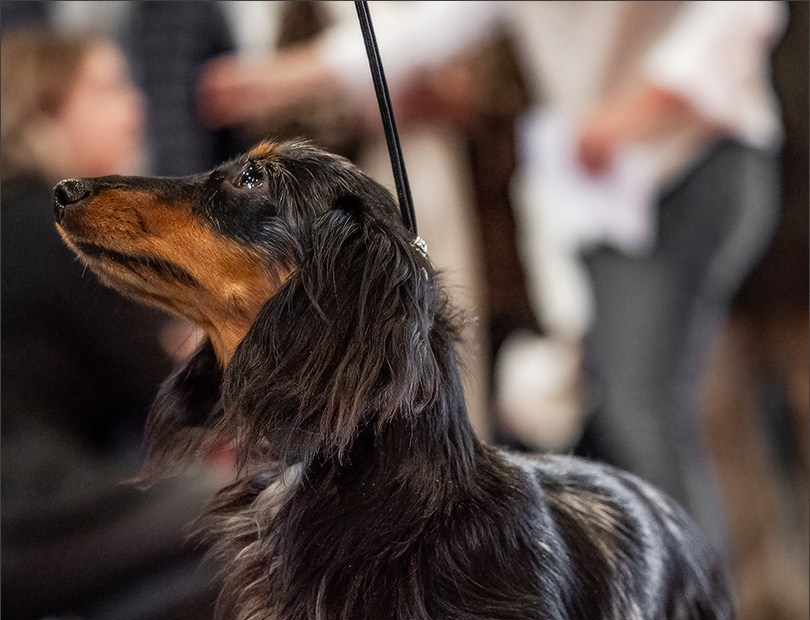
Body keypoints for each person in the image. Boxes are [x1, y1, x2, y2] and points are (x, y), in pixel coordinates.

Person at [197, 0, 786, 555]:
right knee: (632, 406)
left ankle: (695, 611)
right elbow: (432, 26)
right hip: (606, 191)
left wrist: (630, 113)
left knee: (644, 407)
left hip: (690, 162)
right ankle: (680, 596)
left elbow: (742, 11)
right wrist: (281, 79)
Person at [1, 28, 229, 620]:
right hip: (27, 513)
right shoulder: (64, 227)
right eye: (106, 90)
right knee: (250, 511)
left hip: (33, 509)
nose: (135, 107)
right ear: (44, 112)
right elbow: (172, 397)